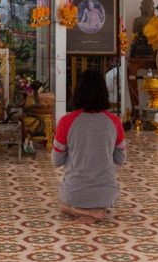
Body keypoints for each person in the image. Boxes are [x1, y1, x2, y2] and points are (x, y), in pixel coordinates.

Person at [52, 69, 126, 221]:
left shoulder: (66, 121)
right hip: (107, 194)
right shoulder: (115, 121)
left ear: (77, 92)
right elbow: (120, 159)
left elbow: (56, 161)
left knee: (62, 205)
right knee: (98, 202)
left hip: (75, 192)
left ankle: (82, 212)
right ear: (104, 92)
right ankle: (96, 211)